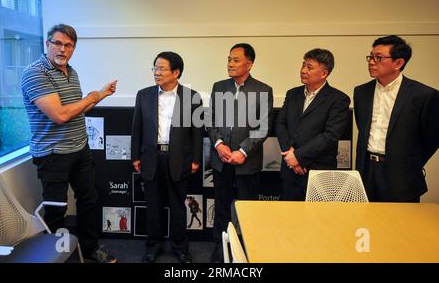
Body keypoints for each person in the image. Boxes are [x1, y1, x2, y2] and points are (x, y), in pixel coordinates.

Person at [21, 24, 117, 263]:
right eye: (58, 43)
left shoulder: (71, 72)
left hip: (80, 149)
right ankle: (55, 257)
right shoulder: (35, 73)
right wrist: (92, 96)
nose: (62, 49)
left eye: (68, 45)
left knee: (89, 200)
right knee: (56, 209)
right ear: (47, 44)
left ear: (73, 48)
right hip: (53, 154)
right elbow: (60, 115)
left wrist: (101, 95)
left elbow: (78, 109)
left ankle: (90, 248)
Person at [131, 51, 203, 263]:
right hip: (151, 158)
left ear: (176, 72)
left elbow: (197, 132)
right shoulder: (143, 95)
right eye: (155, 68)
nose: (157, 72)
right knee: (152, 207)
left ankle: (180, 248)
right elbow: (137, 129)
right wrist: (136, 156)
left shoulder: (192, 97)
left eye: (162, 68)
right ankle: (153, 247)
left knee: (178, 207)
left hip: (179, 159)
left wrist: (196, 159)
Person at [207, 43, 273, 263]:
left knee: (247, 208)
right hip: (222, 159)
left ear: (249, 64)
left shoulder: (263, 90)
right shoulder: (219, 87)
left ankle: (246, 249)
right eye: (229, 59)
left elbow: (263, 127)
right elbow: (211, 120)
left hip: (247, 161)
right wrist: (218, 144)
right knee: (222, 205)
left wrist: (243, 151)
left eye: (235, 60)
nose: (230, 64)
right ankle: (220, 246)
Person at [354, 35, 439, 202]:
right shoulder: (361, 92)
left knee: (400, 225)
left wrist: (410, 161)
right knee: (367, 222)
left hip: (402, 174)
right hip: (367, 170)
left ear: (399, 63)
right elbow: (362, 128)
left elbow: (432, 138)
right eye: (370, 56)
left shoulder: (423, 95)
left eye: (378, 58)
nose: (371, 62)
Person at [275, 48, 350, 200]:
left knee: (318, 220)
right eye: (303, 65)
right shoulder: (292, 94)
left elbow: (330, 136)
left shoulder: (338, 99)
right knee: (288, 218)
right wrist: (290, 154)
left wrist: (299, 156)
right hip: (290, 170)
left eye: (309, 67)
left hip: (318, 172)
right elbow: (280, 124)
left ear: (324, 73)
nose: (303, 70)